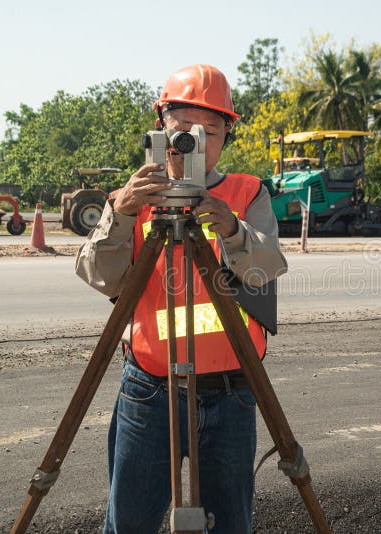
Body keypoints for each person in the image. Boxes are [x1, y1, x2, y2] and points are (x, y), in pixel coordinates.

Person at [75, 64, 288, 534]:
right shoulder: (133, 198)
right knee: (128, 522)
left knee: (231, 524)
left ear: (227, 135)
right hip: (150, 389)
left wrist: (230, 226)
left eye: (211, 131)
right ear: (161, 129)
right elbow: (101, 277)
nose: (195, 142)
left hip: (232, 392)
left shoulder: (247, 194)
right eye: (183, 129)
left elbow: (266, 269)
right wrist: (122, 212)